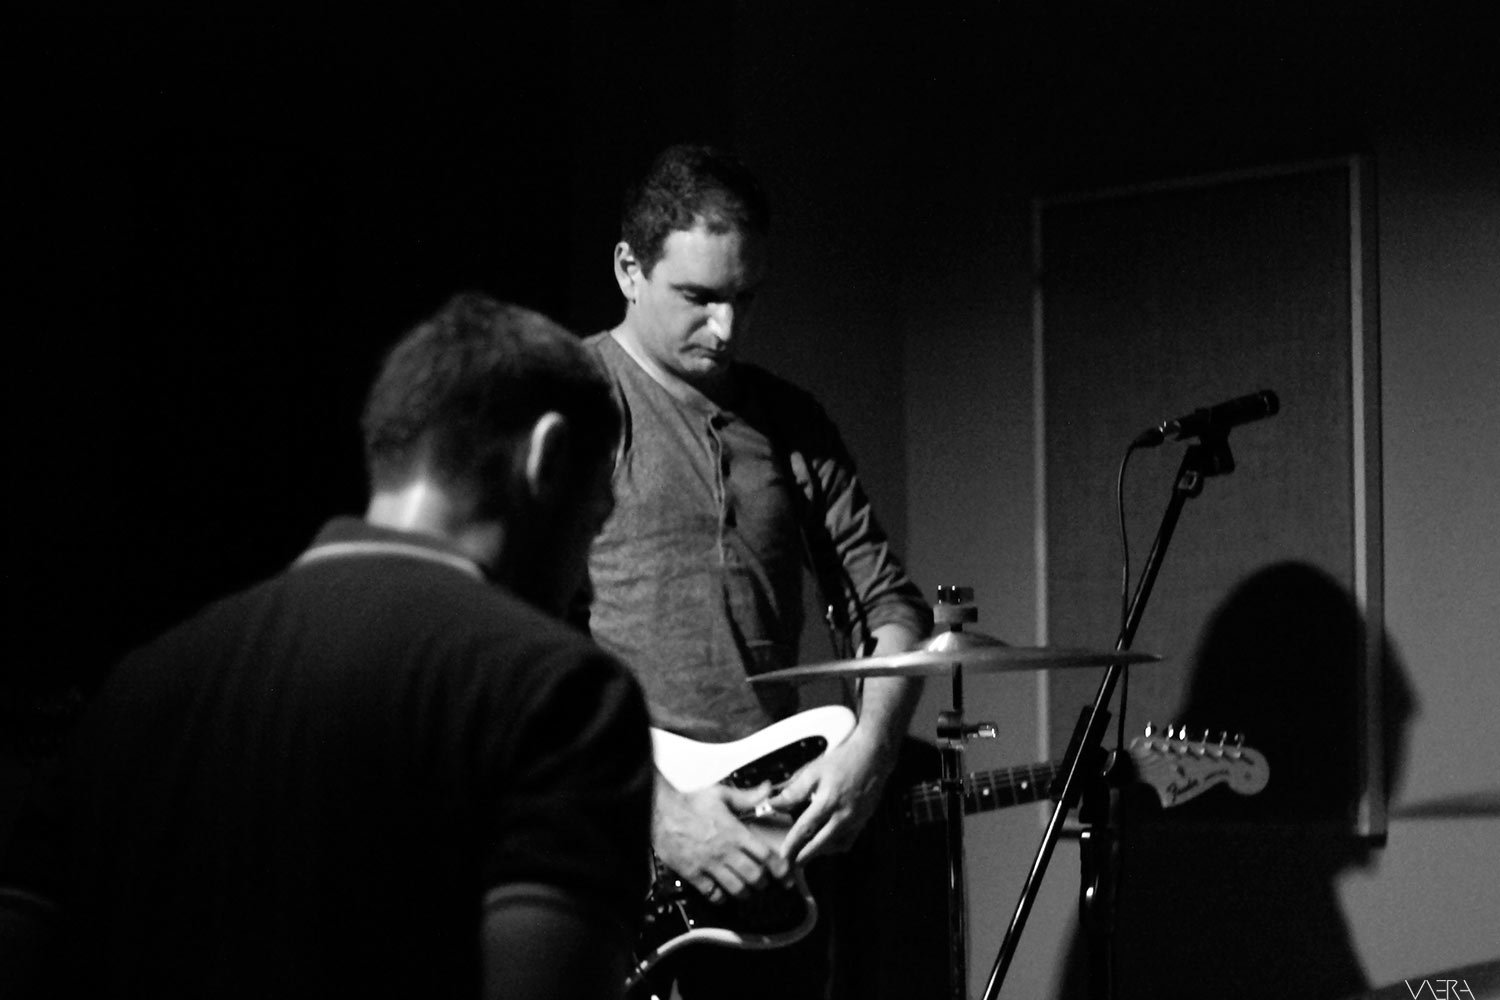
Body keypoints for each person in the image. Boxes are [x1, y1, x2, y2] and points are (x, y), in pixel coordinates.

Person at [0, 293, 654, 1000]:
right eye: (594, 521)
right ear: (547, 457)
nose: (584, 578)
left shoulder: (133, 688)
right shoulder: (563, 692)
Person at [583, 143, 934, 998]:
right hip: (611, 838)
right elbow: (509, 640)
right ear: (629, 269)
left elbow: (889, 604)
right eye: (699, 298)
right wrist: (659, 811)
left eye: (744, 299)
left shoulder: (788, 420)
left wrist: (871, 751)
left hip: (769, 850)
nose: (727, 329)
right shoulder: (573, 399)